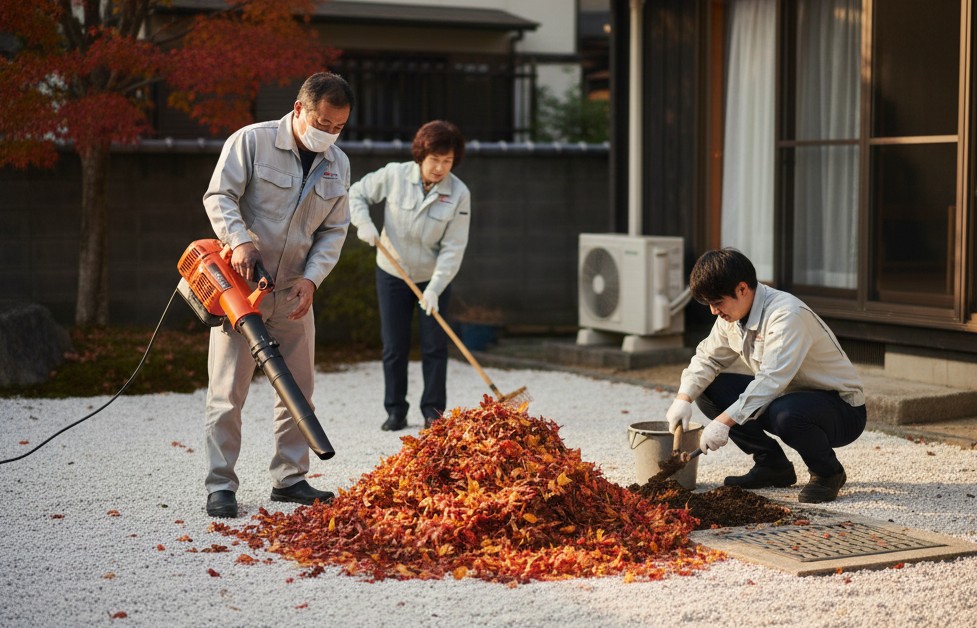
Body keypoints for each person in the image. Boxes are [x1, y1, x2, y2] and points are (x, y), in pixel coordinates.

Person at [200, 72, 354, 518]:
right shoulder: (251, 142)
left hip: (293, 294)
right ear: (300, 108)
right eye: (323, 122)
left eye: (338, 127)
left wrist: (312, 279)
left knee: (299, 390)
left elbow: (334, 232)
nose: (328, 133)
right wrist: (240, 240)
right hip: (241, 290)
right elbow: (219, 196)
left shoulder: (337, 165)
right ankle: (221, 485)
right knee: (228, 391)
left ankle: (290, 479)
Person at [666, 248, 867, 503]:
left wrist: (722, 423)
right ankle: (772, 466)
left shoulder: (786, 315)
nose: (713, 312)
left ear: (741, 289)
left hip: (841, 409)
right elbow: (708, 358)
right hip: (785, 395)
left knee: (785, 413)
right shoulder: (732, 316)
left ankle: (828, 473)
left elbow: (771, 381)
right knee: (708, 388)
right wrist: (683, 399)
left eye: (717, 303)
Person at [348, 120, 471, 431]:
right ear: (421, 155)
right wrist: (363, 223)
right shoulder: (394, 175)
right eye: (435, 160)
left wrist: (436, 288)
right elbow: (357, 194)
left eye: (448, 161)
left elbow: (454, 248)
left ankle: (433, 413)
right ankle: (395, 411)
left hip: (433, 278)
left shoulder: (459, 194)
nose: (440, 168)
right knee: (394, 345)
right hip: (392, 272)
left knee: (434, 346)